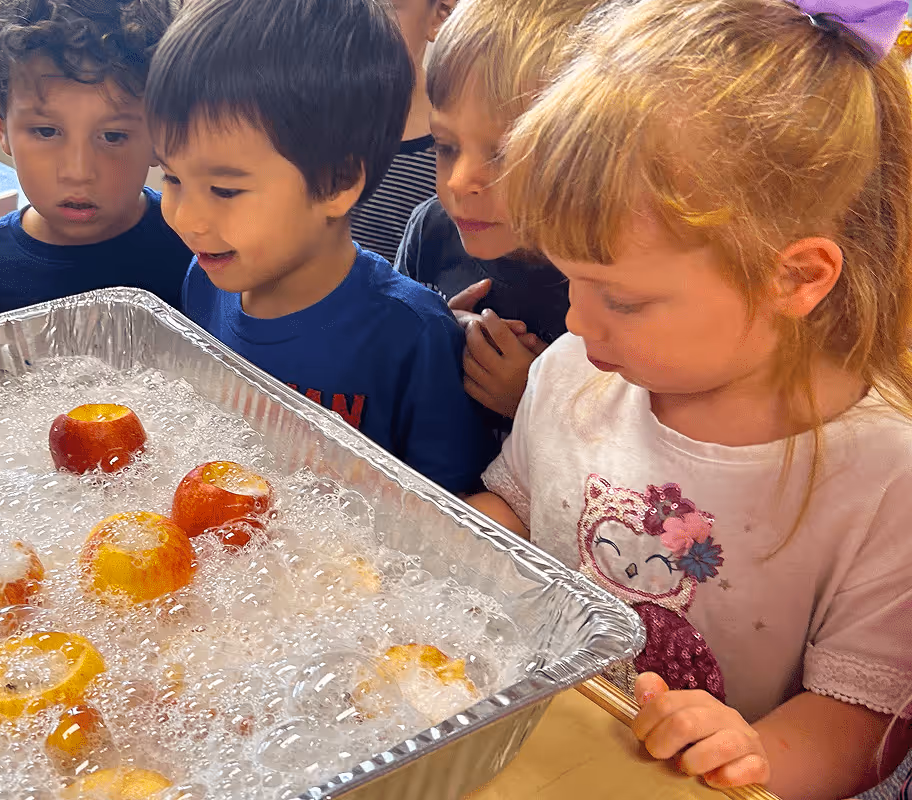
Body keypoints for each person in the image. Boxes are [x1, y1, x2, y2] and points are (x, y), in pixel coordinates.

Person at [470, 0, 912, 794]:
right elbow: (520, 509)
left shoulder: (886, 474)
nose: (572, 320)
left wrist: (752, 752)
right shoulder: (577, 370)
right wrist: (447, 542)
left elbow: (863, 719)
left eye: (623, 299)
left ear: (795, 277)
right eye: (567, 278)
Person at [145, 0, 496, 495]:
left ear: (336, 184)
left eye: (224, 190)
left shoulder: (410, 336)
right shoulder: (204, 279)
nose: (185, 217)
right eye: (172, 177)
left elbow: (445, 519)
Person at [396, 0, 596, 423]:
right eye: (446, 147)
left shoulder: (606, 283)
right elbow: (385, 360)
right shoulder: (430, 229)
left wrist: (533, 403)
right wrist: (433, 333)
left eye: (505, 155)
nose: (457, 180)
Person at [0, 0, 191, 320]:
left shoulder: (197, 247)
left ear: (160, 135)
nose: (78, 172)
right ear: (1, 126)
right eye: (46, 131)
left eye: (113, 136)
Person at [349, 0, 456, 264]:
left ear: (439, 17)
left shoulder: (457, 144)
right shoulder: (306, 124)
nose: (353, 22)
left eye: (384, 5)